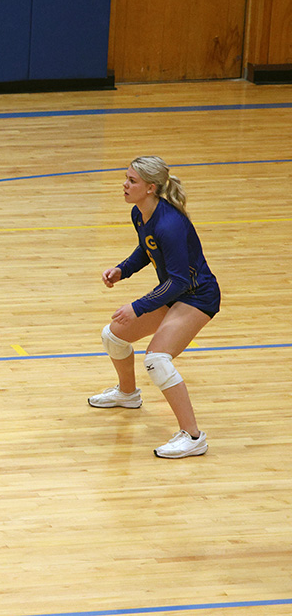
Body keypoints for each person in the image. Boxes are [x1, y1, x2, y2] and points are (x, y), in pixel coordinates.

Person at [88, 156, 220, 458]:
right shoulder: (140, 213)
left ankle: (193, 436)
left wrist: (138, 306)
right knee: (113, 336)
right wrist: (123, 269)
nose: (124, 184)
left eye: (131, 181)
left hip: (197, 296)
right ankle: (127, 394)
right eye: (126, 178)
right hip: (176, 291)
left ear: (150, 188)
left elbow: (178, 282)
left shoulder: (170, 224)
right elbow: (146, 247)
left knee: (157, 359)